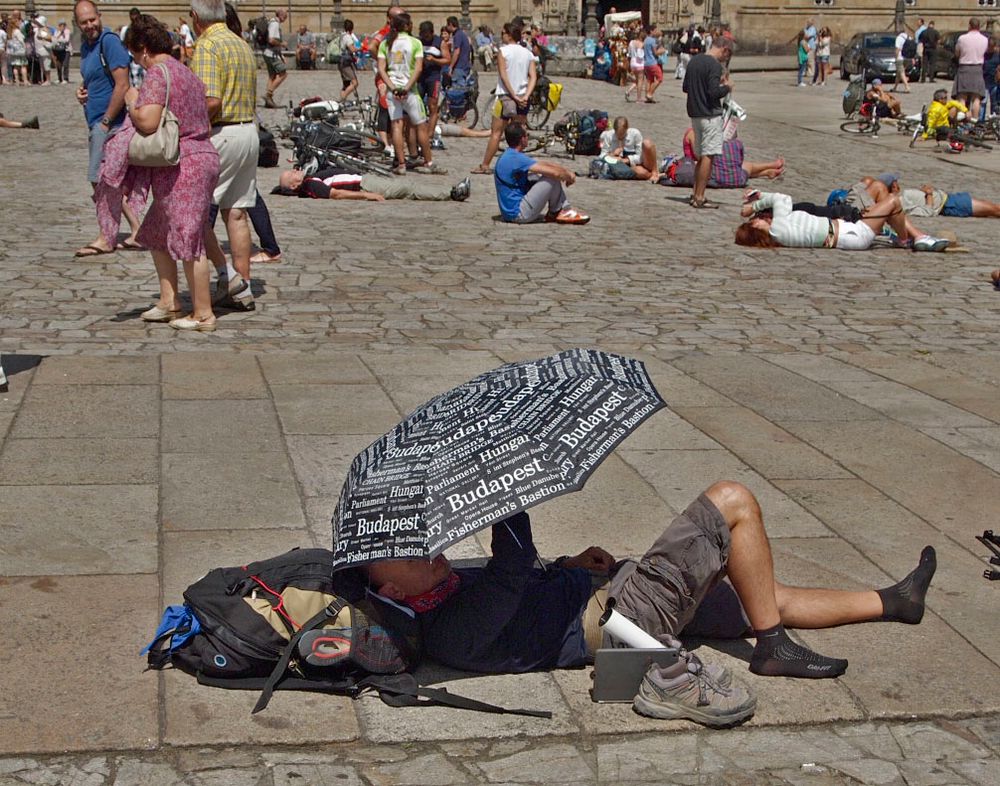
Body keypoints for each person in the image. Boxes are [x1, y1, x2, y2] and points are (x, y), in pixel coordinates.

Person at [361, 483, 937, 726]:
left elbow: (514, 591)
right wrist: (504, 495)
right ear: (391, 593)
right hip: (623, 619)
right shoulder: (447, 632)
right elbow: (510, 567)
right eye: (410, 558)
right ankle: (771, 648)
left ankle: (892, 602)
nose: (429, 552)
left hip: (609, 592)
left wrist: (567, 569)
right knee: (730, 501)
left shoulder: (439, 596)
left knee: (764, 594)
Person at [106, 13, 221, 331]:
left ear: (142, 49)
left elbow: (148, 122)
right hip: (201, 156)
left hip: (184, 164)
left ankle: (202, 313)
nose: (136, 62)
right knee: (157, 231)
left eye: (134, 55)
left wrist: (131, 101)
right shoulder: (187, 72)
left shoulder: (158, 74)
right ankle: (169, 301)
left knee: (188, 240)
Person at [189, 0, 259, 312]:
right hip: (247, 131)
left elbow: (212, 100)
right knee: (237, 212)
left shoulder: (207, 45)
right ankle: (243, 283)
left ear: (195, 18)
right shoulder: (240, 43)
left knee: (196, 213)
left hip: (222, 134)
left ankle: (229, 277)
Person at [73, 0, 143, 257]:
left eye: (92, 19)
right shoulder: (87, 46)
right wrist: (83, 92)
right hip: (96, 122)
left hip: (111, 125)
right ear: (78, 24)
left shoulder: (109, 41)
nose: (89, 25)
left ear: (99, 16)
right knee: (108, 183)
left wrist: (105, 122)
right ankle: (137, 230)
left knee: (100, 181)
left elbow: (122, 85)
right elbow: (95, 78)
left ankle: (106, 236)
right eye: (84, 22)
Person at [735, 190, 948, 252]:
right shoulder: (778, 230)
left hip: (847, 231)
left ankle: (914, 238)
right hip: (851, 235)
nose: (760, 219)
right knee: (892, 201)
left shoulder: (780, 234)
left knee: (886, 208)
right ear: (755, 229)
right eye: (756, 221)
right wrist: (754, 205)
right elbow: (783, 199)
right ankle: (909, 240)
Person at [377, 13, 439, 175]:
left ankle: (402, 164)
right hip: (410, 91)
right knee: (421, 126)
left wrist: (393, 87)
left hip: (393, 91)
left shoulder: (386, 44)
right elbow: (418, 68)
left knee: (397, 125)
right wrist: (406, 87)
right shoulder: (415, 43)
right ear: (406, 26)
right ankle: (428, 162)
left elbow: (382, 69)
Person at [471, 20, 535, 175]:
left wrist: (512, 95)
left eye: (503, 34)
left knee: (496, 133)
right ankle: (519, 165)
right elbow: (533, 77)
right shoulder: (528, 53)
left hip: (505, 97)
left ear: (509, 35)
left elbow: (504, 76)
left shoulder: (503, 52)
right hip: (523, 98)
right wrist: (525, 95)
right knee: (520, 133)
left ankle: (485, 165)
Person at [494, 122, 589, 224]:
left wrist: (567, 171)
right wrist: (569, 177)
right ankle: (562, 210)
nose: (528, 138)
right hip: (518, 214)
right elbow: (554, 174)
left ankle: (556, 212)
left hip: (509, 213)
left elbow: (543, 164)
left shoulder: (509, 155)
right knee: (551, 178)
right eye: (527, 135)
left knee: (534, 176)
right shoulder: (516, 158)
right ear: (522, 139)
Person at [683, 34, 734, 209]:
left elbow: (685, 87)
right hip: (710, 115)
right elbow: (713, 93)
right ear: (724, 50)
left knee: (701, 156)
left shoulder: (694, 61)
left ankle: (695, 193)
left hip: (695, 113)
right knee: (708, 155)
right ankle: (699, 197)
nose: (726, 59)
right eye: (728, 55)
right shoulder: (714, 65)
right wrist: (727, 87)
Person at [275, 165, 470, 201]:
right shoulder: (310, 185)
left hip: (366, 180)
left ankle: (450, 192)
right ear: (294, 186)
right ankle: (452, 193)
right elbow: (337, 194)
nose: (295, 170)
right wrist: (367, 196)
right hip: (365, 186)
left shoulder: (310, 179)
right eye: (291, 174)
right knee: (408, 188)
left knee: (407, 187)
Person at [859, 173, 1000, 220]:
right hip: (949, 204)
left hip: (949, 198)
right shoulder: (899, 203)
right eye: (896, 182)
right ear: (893, 187)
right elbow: (928, 211)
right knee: (995, 209)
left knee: (994, 209)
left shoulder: (898, 198)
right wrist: (929, 194)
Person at [598, 116, 658, 180]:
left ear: (627, 129)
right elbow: (602, 155)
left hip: (634, 162)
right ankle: (651, 175)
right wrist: (612, 154)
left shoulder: (635, 134)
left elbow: (641, 157)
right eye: (618, 134)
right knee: (642, 173)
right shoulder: (608, 135)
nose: (620, 137)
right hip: (620, 166)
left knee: (647, 143)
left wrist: (626, 160)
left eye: (623, 134)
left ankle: (655, 172)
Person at [954, 18, 989, 120]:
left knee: (962, 97)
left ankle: (962, 121)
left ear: (969, 26)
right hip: (977, 68)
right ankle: (974, 121)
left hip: (964, 68)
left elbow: (957, 53)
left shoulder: (962, 38)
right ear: (979, 26)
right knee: (976, 98)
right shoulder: (985, 39)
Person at [262, 7, 288, 108]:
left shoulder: (271, 23)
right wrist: (282, 44)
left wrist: (281, 55)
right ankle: (268, 94)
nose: (286, 18)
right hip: (271, 54)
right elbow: (272, 40)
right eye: (285, 15)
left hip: (269, 53)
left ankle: (269, 101)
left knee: (272, 76)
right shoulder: (275, 24)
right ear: (281, 15)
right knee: (283, 73)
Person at [446, 16, 471, 87]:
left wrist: (451, 66)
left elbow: (457, 52)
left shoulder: (458, 35)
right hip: (464, 66)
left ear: (450, 24)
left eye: (447, 25)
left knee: (457, 91)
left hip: (459, 67)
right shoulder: (461, 34)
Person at [642, 23, 664, 102]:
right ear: (651, 31)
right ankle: (650, 93)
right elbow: (655, 52)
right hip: (652, 62)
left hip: (646, 63)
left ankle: (647, 96)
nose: (656, 32)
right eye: (655, 30)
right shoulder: (652, 40)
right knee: (660, 78)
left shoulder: (645, 40)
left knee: (649, 80)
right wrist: (662, 51)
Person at [338, 19, 359, 101]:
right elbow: (352, 49)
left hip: (341, 62)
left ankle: (342, 102)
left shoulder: (342, 36)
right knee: (355, 83)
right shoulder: (347, 37)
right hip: (346, 63)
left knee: (346, 85)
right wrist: (360, 48)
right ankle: (342, 99)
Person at [981, 36, 999, 119]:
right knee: (983, 103)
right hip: (984, 82)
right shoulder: (984, 55)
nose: (990, 49)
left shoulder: (997, 55)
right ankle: (981, 121)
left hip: (994, 82)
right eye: (989, 47)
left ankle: (993, 121)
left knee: (994, 103)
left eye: (992, 47)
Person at [625, 31, 644, 102]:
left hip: (632, 62)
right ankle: (638, 98)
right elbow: (641, 55)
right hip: (639, 63)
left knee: (637, 80)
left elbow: (629, 53)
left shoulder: (631, 43)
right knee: (640, 80)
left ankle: (628, 91)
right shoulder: (640, 44)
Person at [33, 15, 52, 85]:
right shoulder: (38, 29)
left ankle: (48, 80)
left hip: (45, 50)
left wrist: (41, 37)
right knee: (43, 66)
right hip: (39, 50)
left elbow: (49, 38)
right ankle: (45, 79)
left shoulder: (44, 29)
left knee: (46, 65)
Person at [893, 29, 911, 93]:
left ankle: (907, 86)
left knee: (901, 72)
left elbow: (897, 48)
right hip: (907, 57)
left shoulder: (899, 38)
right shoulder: (909, 37)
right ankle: (895, 87)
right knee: (899, 73)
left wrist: (896, 57)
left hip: (900, 57)